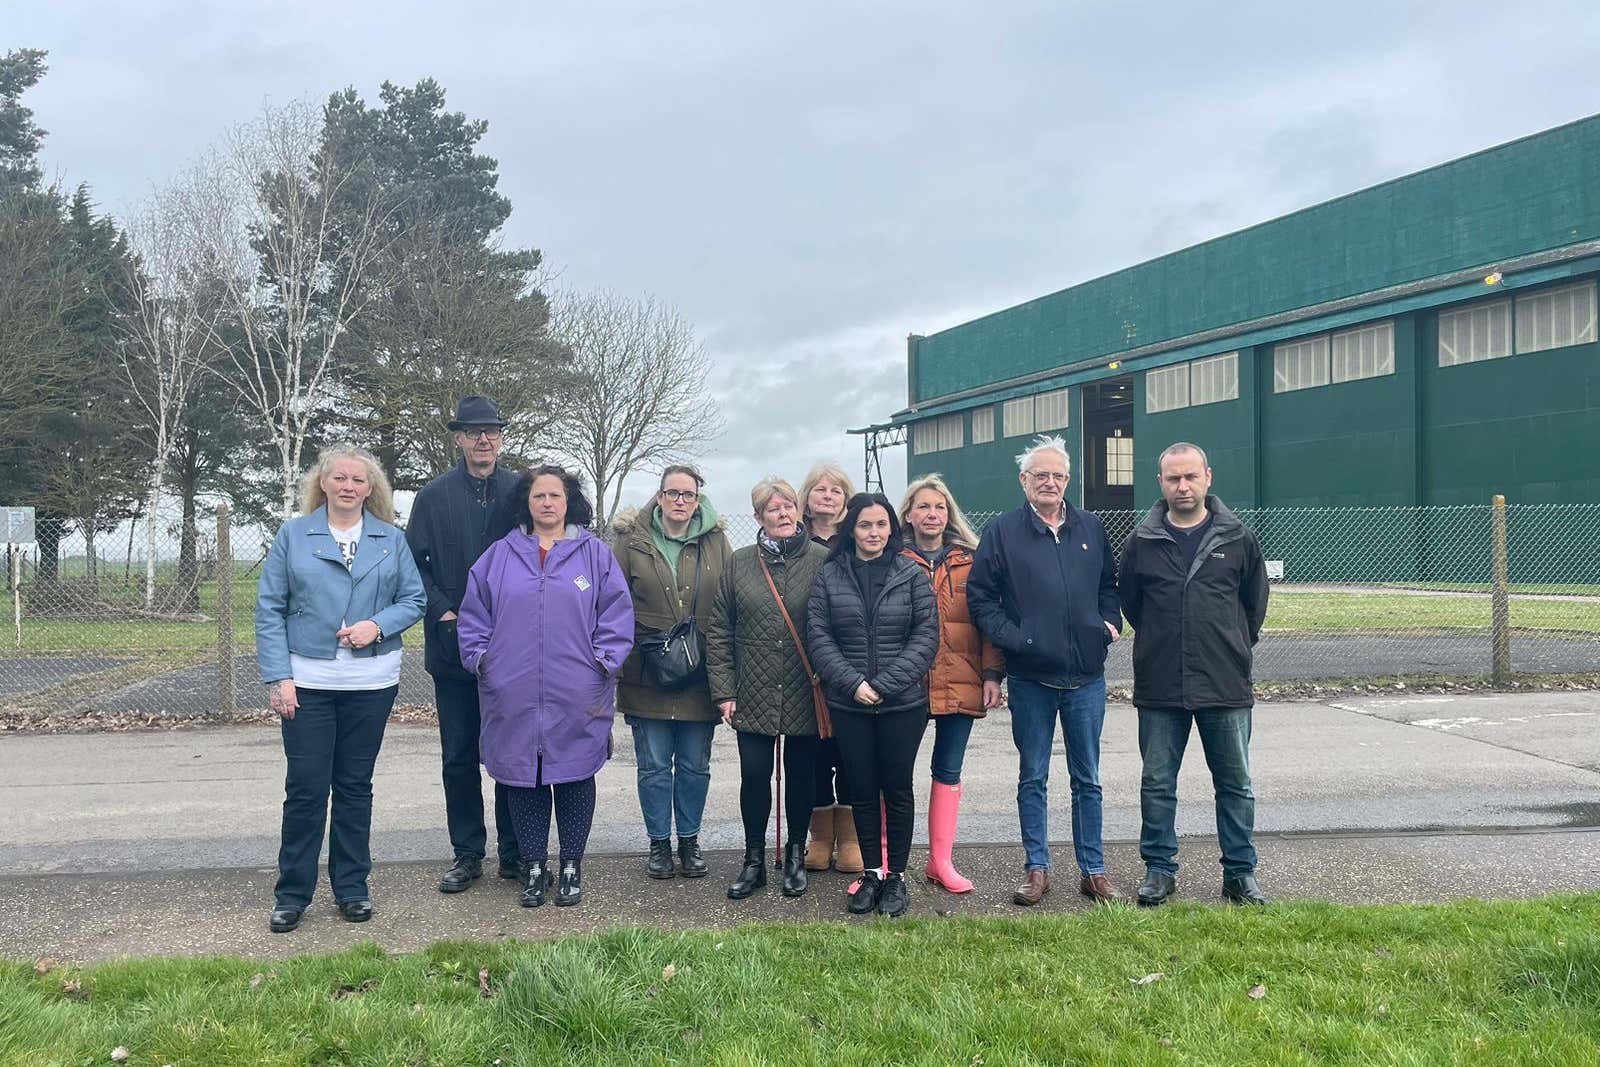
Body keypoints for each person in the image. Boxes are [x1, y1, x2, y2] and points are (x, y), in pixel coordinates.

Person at [256, 443, 426, 934]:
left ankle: (352, 888)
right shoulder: (294, 535)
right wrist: (278, 677)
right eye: (340, 478)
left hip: (371, 682)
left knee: (354, 787)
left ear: (371, 489)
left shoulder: (390, 540)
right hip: (307, 682)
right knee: (306, 790)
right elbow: (269, 609)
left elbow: (413, 599)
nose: (349, 486)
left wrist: (378, 624)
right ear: (323, 483)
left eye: (358, 480)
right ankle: (292, 894)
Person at [456, 464, 633, 909]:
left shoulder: (594, 555)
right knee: (523, 781)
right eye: (539, 496)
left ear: (568, 501)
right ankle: (534, 867)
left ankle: (572, 865)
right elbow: (473, 617)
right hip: (512, 693)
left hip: (578, 692)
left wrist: (603, 663)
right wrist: (483, 661)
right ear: (527, 503)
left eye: (556, 495)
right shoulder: (499, 556)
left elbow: (616, 615)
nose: (548, 503)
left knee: (574, 776)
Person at [967, 434, 1125, 907]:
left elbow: (1108, 584)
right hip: (1033, 680)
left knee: (1088, 778)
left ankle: (1092, 870)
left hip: (1087, 679)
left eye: (1057, 476)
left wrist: (1109, 622)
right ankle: (1037, 868)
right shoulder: (1002, 532)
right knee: (1033, 776)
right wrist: (1017, 641)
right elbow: (981, 598)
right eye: (1041, 476)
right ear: (1024, 481)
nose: (1050, 483)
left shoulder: (1091, 528)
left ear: (1068, 480)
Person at [1118, 442, 1270, 907]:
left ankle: (1240, 874)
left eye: (1190, 477)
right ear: (1160, 483)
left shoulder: (1238, 538)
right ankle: (1160, 870)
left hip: (1224, 684)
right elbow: (1133, 606)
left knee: (1235, 784)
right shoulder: (1141, 542)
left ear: (1207, 476)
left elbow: (1253, 605)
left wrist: (1232, 646)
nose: (1182, 487)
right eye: (1172, 479)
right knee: (1158, 783)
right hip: (1161, 683)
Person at [404, 396, 524, 894]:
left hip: (514, 647)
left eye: (491, 431)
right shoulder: (434, 497)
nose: (483, 440)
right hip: (453, 649)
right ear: (458, 438)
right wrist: (444, 611)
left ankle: (518, 852)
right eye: (474, 431)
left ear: (500, 437)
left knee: (514, 754)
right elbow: (414, 565)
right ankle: (468, 853)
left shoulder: (521, 491)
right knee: (459, 754)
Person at [807, 493, 940, 917]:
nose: (873, 533)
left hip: (903, 704)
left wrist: (883, 684)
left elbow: (926, 637)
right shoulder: (830, 575)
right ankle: (871, 873)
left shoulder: (911, 574)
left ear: (891, 528)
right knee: (862, 790)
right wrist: (853, 684)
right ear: (852, 529)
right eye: (865, 525)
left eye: (881, 525)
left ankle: (897, 876)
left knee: (897, 790)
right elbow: (819, 637)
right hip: (850, 705)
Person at [705, 476, 831, 900]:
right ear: (759, 516)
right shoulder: (739, 562)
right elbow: (719, 628)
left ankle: (795, 854)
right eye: (772, 508)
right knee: (755, 774)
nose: (783, 514)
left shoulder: (821, 559)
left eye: (788, 506)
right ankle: (754, 859)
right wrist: (724, 690)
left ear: (799, 511)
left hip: (804, 686)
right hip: (752, 687)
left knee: (801, 776)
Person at [610, 464, 732, 880]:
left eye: (689, 494)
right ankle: (659, 843)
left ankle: (690, 841)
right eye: (673, 493)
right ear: (659, 496)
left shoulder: (717, 542)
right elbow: (612, 603)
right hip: (647, 673)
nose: (681, 501)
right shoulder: (630, 541)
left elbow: (730, 604)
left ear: (698, 499)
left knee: (695, 765)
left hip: (701, 674)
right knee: (655, 765)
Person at [899, 475, 1005, 894]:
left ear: (949, 514)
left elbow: (988, 621)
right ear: (908, 513)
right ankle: (890, 862)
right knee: (896, 773)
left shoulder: (973, 561)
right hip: (906, 686)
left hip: (961, 681)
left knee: (948, 770)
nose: (932, 514)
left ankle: (941, 861)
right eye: (923, 506)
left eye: (939, 507)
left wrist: (993, 673)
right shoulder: (893, 560)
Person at [797, 461, 864, 875]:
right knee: (813, 755)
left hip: (849, 664)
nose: (827, 495)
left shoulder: (857, 541)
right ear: (806, 497)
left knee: (851, 752)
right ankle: (819, 838)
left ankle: (852, 839)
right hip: (803, 665)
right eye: (819, 488)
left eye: (836, 490)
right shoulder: (792, 539)